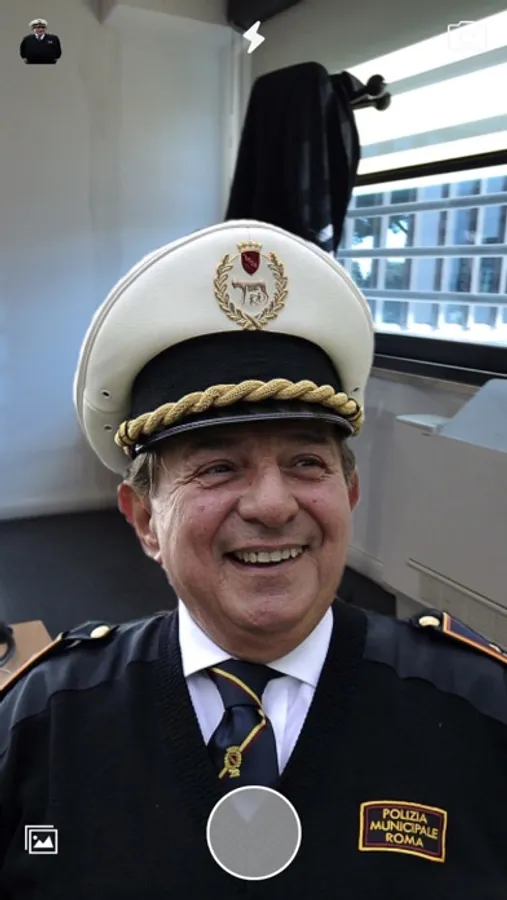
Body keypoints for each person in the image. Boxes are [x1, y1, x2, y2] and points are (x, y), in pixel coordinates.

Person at [0, 219, 506, 899]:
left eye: (305, 462)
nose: (271, 505)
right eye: (217, 467)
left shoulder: (477, 711)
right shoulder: (44, 723)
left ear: (349, 494)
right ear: (145, 519)